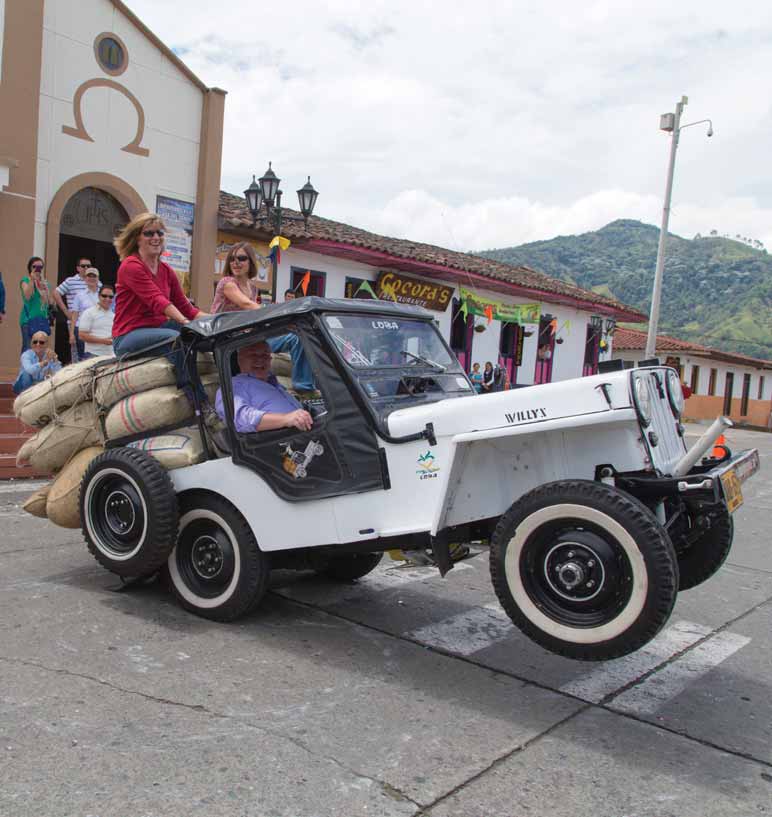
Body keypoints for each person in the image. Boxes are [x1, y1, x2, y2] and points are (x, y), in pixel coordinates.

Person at [112, 212, 206, 361]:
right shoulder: (131, 265)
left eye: (159, 233)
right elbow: (158, 300)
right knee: (177, 338)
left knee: (204, 336)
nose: (156, 237)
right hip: (128, 336)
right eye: (149, 233)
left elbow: (186, 307)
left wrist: (214, 322)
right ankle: (188, 384)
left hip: (158, 329)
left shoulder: (167, 271)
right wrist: (185, 323)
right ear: (137, 238)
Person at [215, 342, 313, 433]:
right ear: (240, 359)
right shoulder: (234, 386)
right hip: (279, 445)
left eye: (265, 355)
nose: (260, 359)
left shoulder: (274, 383)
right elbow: (238, 418)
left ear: (270, 359)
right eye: (253, 355)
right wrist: (286, 419)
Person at [267, 285, 314, 392]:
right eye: (288, 296)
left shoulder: (297, 312)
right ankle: (302, 385)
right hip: (272, 338)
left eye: (292, 297)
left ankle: (306, 384)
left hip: (286, 339)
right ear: (285, 297)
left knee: (302, 338)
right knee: (296, 338)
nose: (290, 299)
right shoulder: (276, 308)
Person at [54, 255, 96, 363]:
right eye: (83, 266)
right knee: (76, 352)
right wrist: (65, 311)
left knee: (91, 352)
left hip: (92, 324)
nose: (86, 268)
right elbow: (56, 293)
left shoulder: (95, 281)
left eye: (88, 266)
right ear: (78, 268)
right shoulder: (71, 281)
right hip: (76, 322)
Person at [210, 243, 261, 313]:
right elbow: (246, 304)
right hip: (222, 324)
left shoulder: (253, 288)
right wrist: (270, 312)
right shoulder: (227, 283)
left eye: (241, 258)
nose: (236, 262)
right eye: (232, 259)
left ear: (251, 261)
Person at [19, 257, 52, 353]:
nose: (38, 269)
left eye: (40, 267)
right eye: (35, 267)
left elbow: (49, 302)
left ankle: (38, 367)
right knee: (28, 347)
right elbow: (27, 296)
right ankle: (25, 368)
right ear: (30, 267)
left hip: (42, 319)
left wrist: (45, 289)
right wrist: (32, 280)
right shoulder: (26, 280)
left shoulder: (44, 283)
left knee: (41, 348)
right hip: (29, 319)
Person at [12, 330, 61, 394]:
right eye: (35, 342)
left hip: (39, 386)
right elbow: (30, 370)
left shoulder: (50, 355)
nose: (38, 344)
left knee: (52, 379)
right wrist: (44, 363)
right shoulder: (26, 355)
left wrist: (55, 360)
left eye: (41, 342)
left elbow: (59, 373)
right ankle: (27, 397)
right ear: (31, 343)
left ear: (47, 344)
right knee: (26, 375)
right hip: (22, 385)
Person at [78, 285, 115, 358]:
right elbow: (82, 335)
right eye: (104, 296)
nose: (107, 299)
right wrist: (104, 341)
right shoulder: (89, 312)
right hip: (92, 355)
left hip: (111, 356)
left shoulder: (114, 315)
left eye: (110, 297)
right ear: (98, 296)